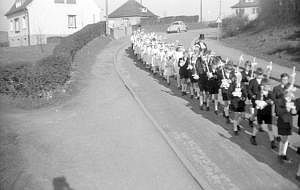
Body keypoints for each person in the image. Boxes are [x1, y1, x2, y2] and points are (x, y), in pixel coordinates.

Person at [250, 78, 277, 149]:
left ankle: (272, 142)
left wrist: (271, 102)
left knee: (270, 126)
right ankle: (253, 137)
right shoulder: (259, 93)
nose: (269, 87)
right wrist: (254, 115)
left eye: (269, 85)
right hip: (260, 113)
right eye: (268, 85)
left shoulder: (271, 93)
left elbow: (273, 101)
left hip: (268, 113)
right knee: (258, 126)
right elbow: (257, 105)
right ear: (263, 86)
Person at [275, 89, 296, 163]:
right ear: (286, 94)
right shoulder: (279, 101)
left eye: (292, 95)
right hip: (282, 122)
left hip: (289, 122)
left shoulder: (291, 102)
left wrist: (294, 111)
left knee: (286, 139)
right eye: (290, 94)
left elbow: (293, 112)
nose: (291, 96)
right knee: (283, 139)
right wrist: (286, 109)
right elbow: (278, 112)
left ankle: (283, 154)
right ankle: (280, 154)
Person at [228, 70, 247, 135]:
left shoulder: (242, 84)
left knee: (242, 116)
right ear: (235, 78)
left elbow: (245, 93)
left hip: (241, 102)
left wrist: (244, 97)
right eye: (237, 77)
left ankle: (238, 124)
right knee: (236, 116)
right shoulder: (232, 84)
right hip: (235, 102)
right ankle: (235, 129)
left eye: (240, 77)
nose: (239, 78)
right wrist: (233, 94)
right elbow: (229, 93)